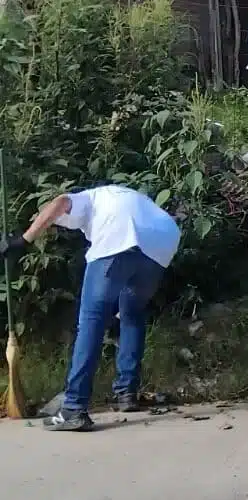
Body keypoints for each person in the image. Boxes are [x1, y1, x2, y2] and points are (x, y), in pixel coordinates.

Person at [3, 184, 180, 432]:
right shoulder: (122, 196)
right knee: (132, 314)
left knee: (92, 320)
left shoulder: (86, 199)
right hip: (162, 242)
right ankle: (126, 393)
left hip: (120, 238)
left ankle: (74, 408)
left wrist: (24, 239)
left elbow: (59, 204)